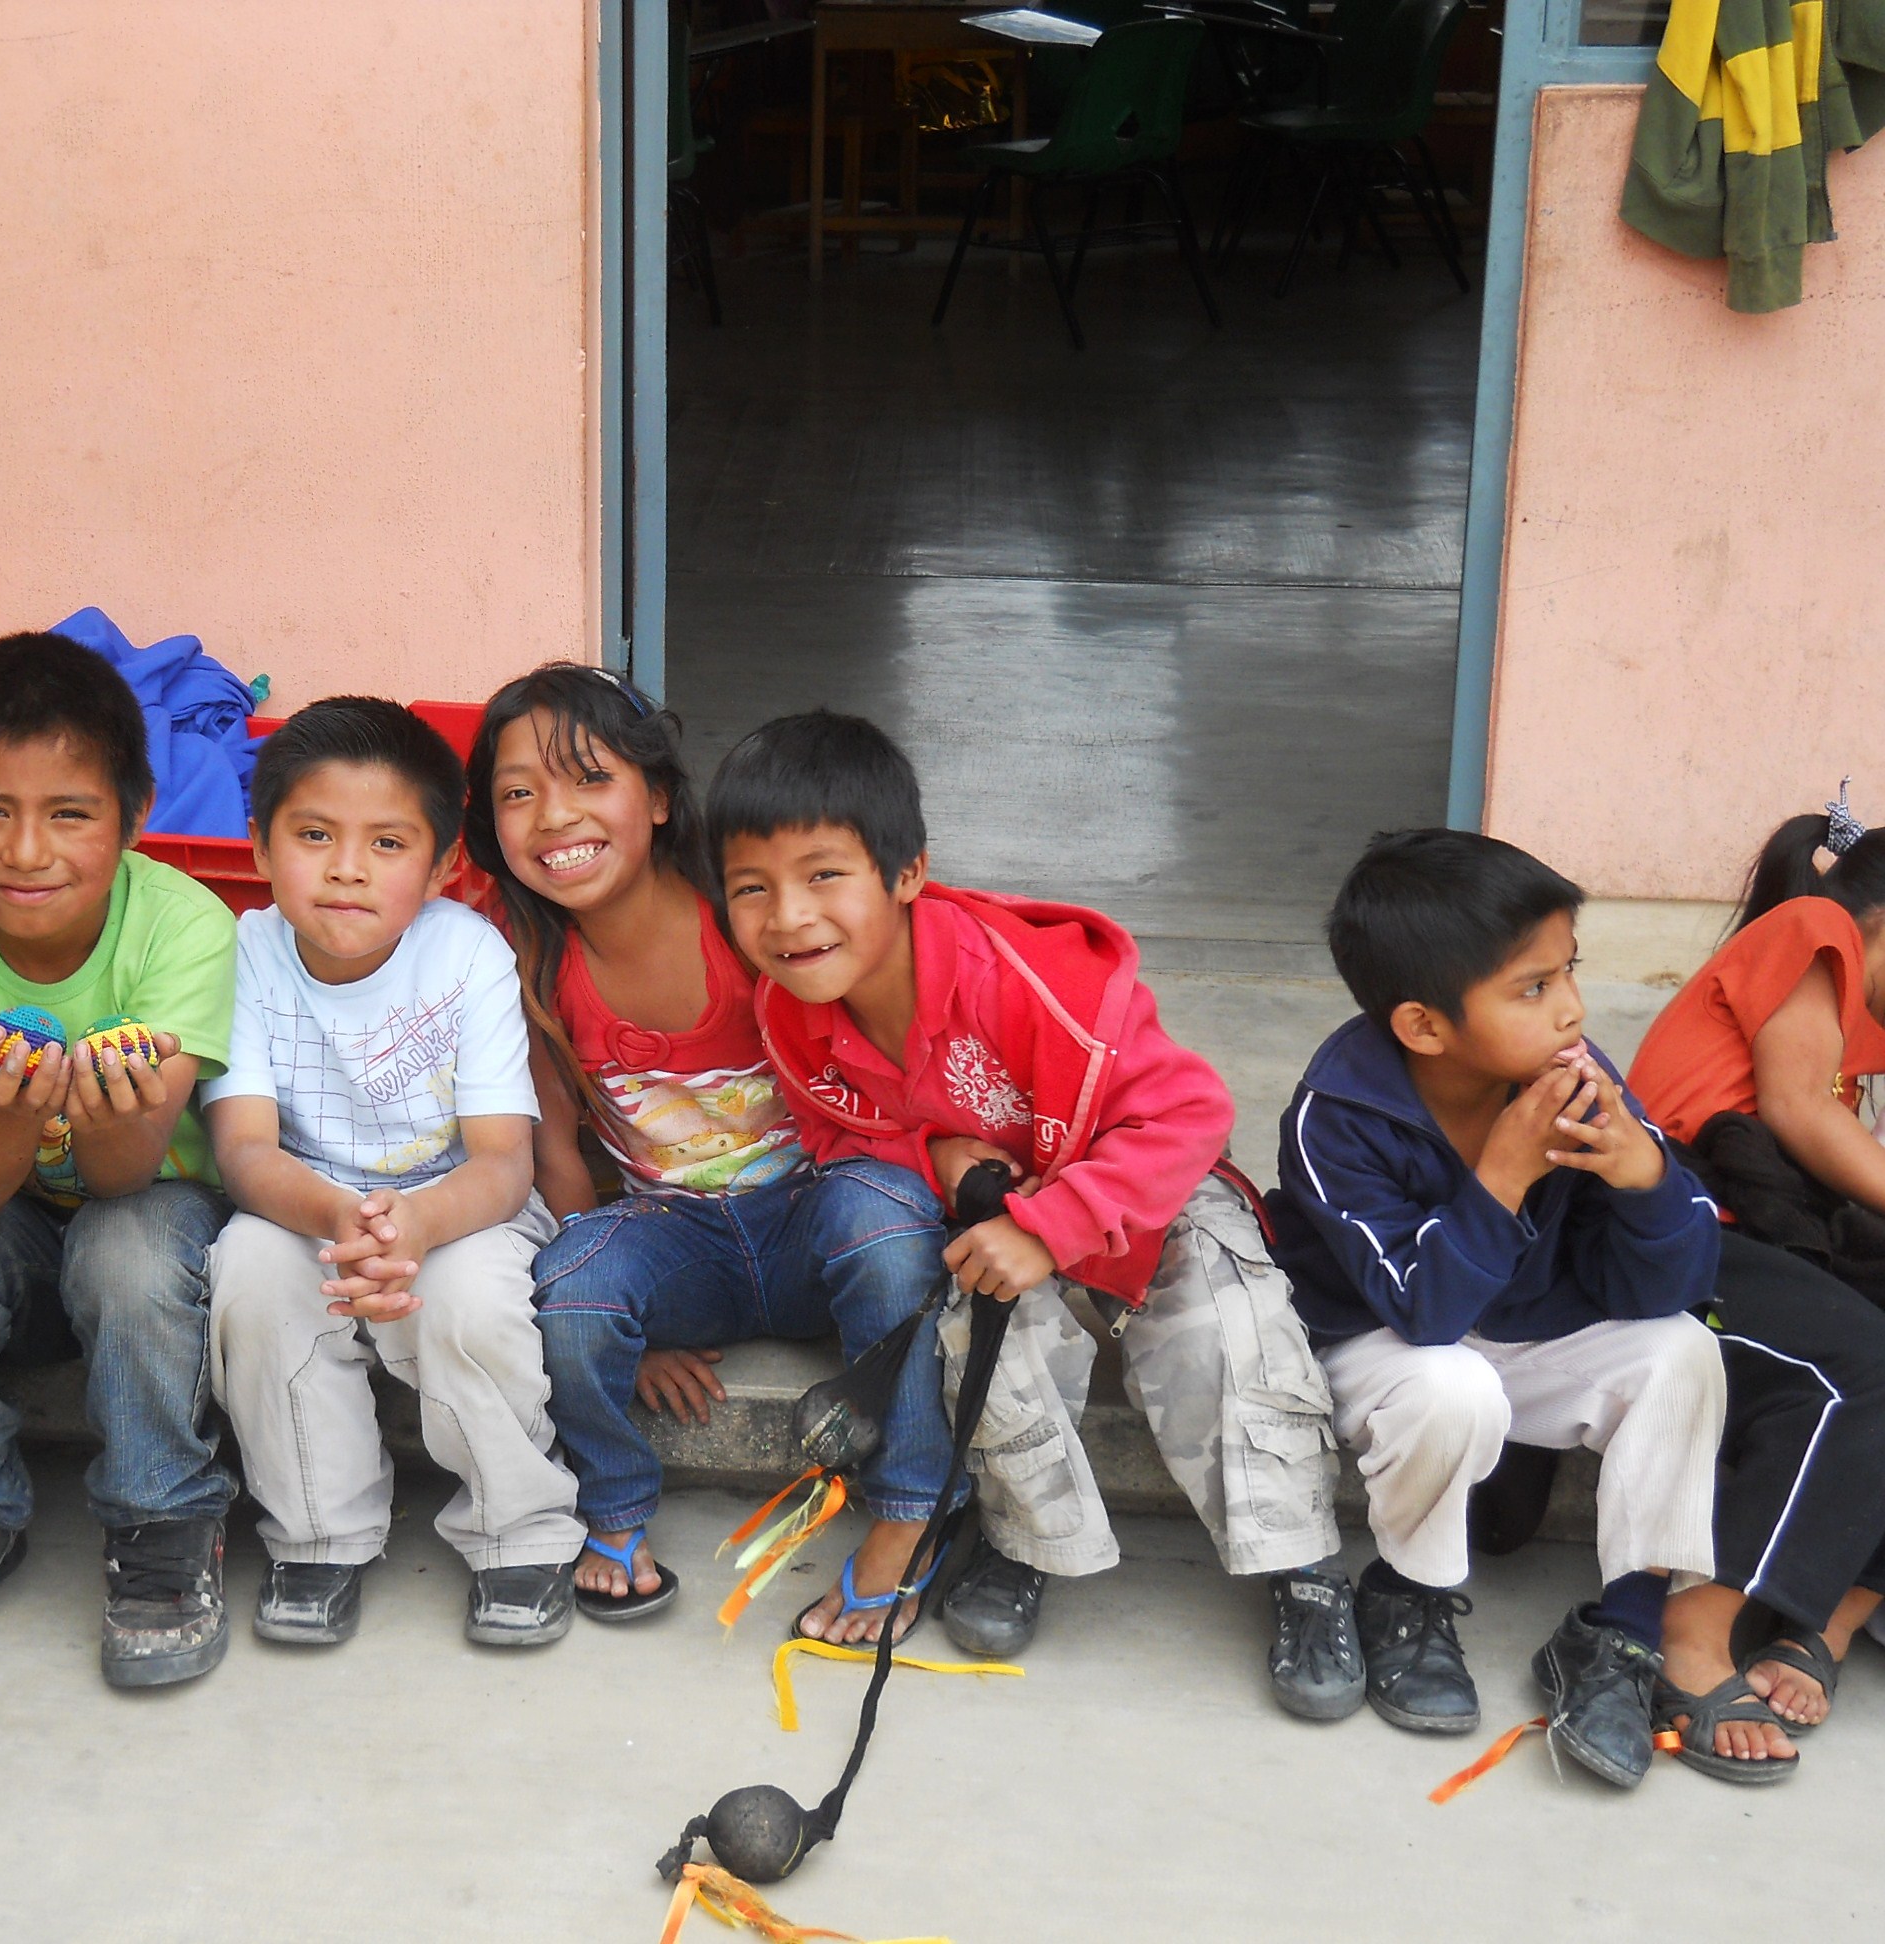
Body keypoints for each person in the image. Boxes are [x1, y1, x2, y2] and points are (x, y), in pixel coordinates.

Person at [708, 711, 1356, 1713]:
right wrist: (933, 1154)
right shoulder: (791, 1015)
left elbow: (1190, 1112)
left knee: (1225, 1332)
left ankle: (1305, 1566)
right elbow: (839, 1135)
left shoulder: (1030, 981)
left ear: (907, 873)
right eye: (753, 888)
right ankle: (1025, 1545)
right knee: (973, 1334)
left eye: (824, 874)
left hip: (1148, 1197)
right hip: (1003, 1221)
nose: (788, 918)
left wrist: (1055, 1227)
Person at [470, 666, 953, 1636]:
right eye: (519, 792)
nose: (553, 816)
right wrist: (634, 1327)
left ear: (654, 796)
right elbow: (558, 1146)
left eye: (586, 779)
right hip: (674, 1232)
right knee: (570, 1283)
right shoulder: (529, 953)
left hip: (814, 1211)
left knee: (887, 1220)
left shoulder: (741, 914)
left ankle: (910, 1509)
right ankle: (613, 1509)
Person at [1274, 827, 1753, 1788]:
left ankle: (1619, 1636)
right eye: (1533, 989)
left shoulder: (1575, 1075)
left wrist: (1644, 1179)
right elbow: (1421, 1314)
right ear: (1423, 1026)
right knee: (1452, 1385)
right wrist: (1498, 1178)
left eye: (1567, 971)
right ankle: (1406, 1592)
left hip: (1524, 1343)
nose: (1573, 1008)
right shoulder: (1338, 1117)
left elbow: (1667, 1288)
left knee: (1681, 1352)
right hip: (1386, 1354)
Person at [0, 633, 237, 1686]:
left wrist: (97, 1106)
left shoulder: (188, 926)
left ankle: (165, 1519)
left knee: (129, 1239)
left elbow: (123, 1176)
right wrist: (11, 1104)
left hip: (152, 1210)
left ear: (134, 819)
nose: (27, 852)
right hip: (0, 1221)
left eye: (70, 814)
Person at [204, 697, 584, 1649]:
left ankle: (520, 1530)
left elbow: (504, 1163)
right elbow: (246, 1150)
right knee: (249, 1271)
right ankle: (318, 1531)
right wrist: (342, 1215)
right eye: (315, 834)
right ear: (258, 846)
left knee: (471, 1299)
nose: (345, 868)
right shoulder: (245, 953)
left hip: (464, 1210)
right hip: (309, 1204)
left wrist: (414, 1226)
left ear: (444, 865)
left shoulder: (467, 953)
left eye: (386, 843)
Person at [1624, 786, 1885, 1737]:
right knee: (1861, 1365)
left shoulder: (1861, 1027)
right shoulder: (1815, 926)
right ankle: (1695, 1633)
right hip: (1683, 1228)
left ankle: (1824, 1627)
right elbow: (1796, 1112)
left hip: (1762, 1238)